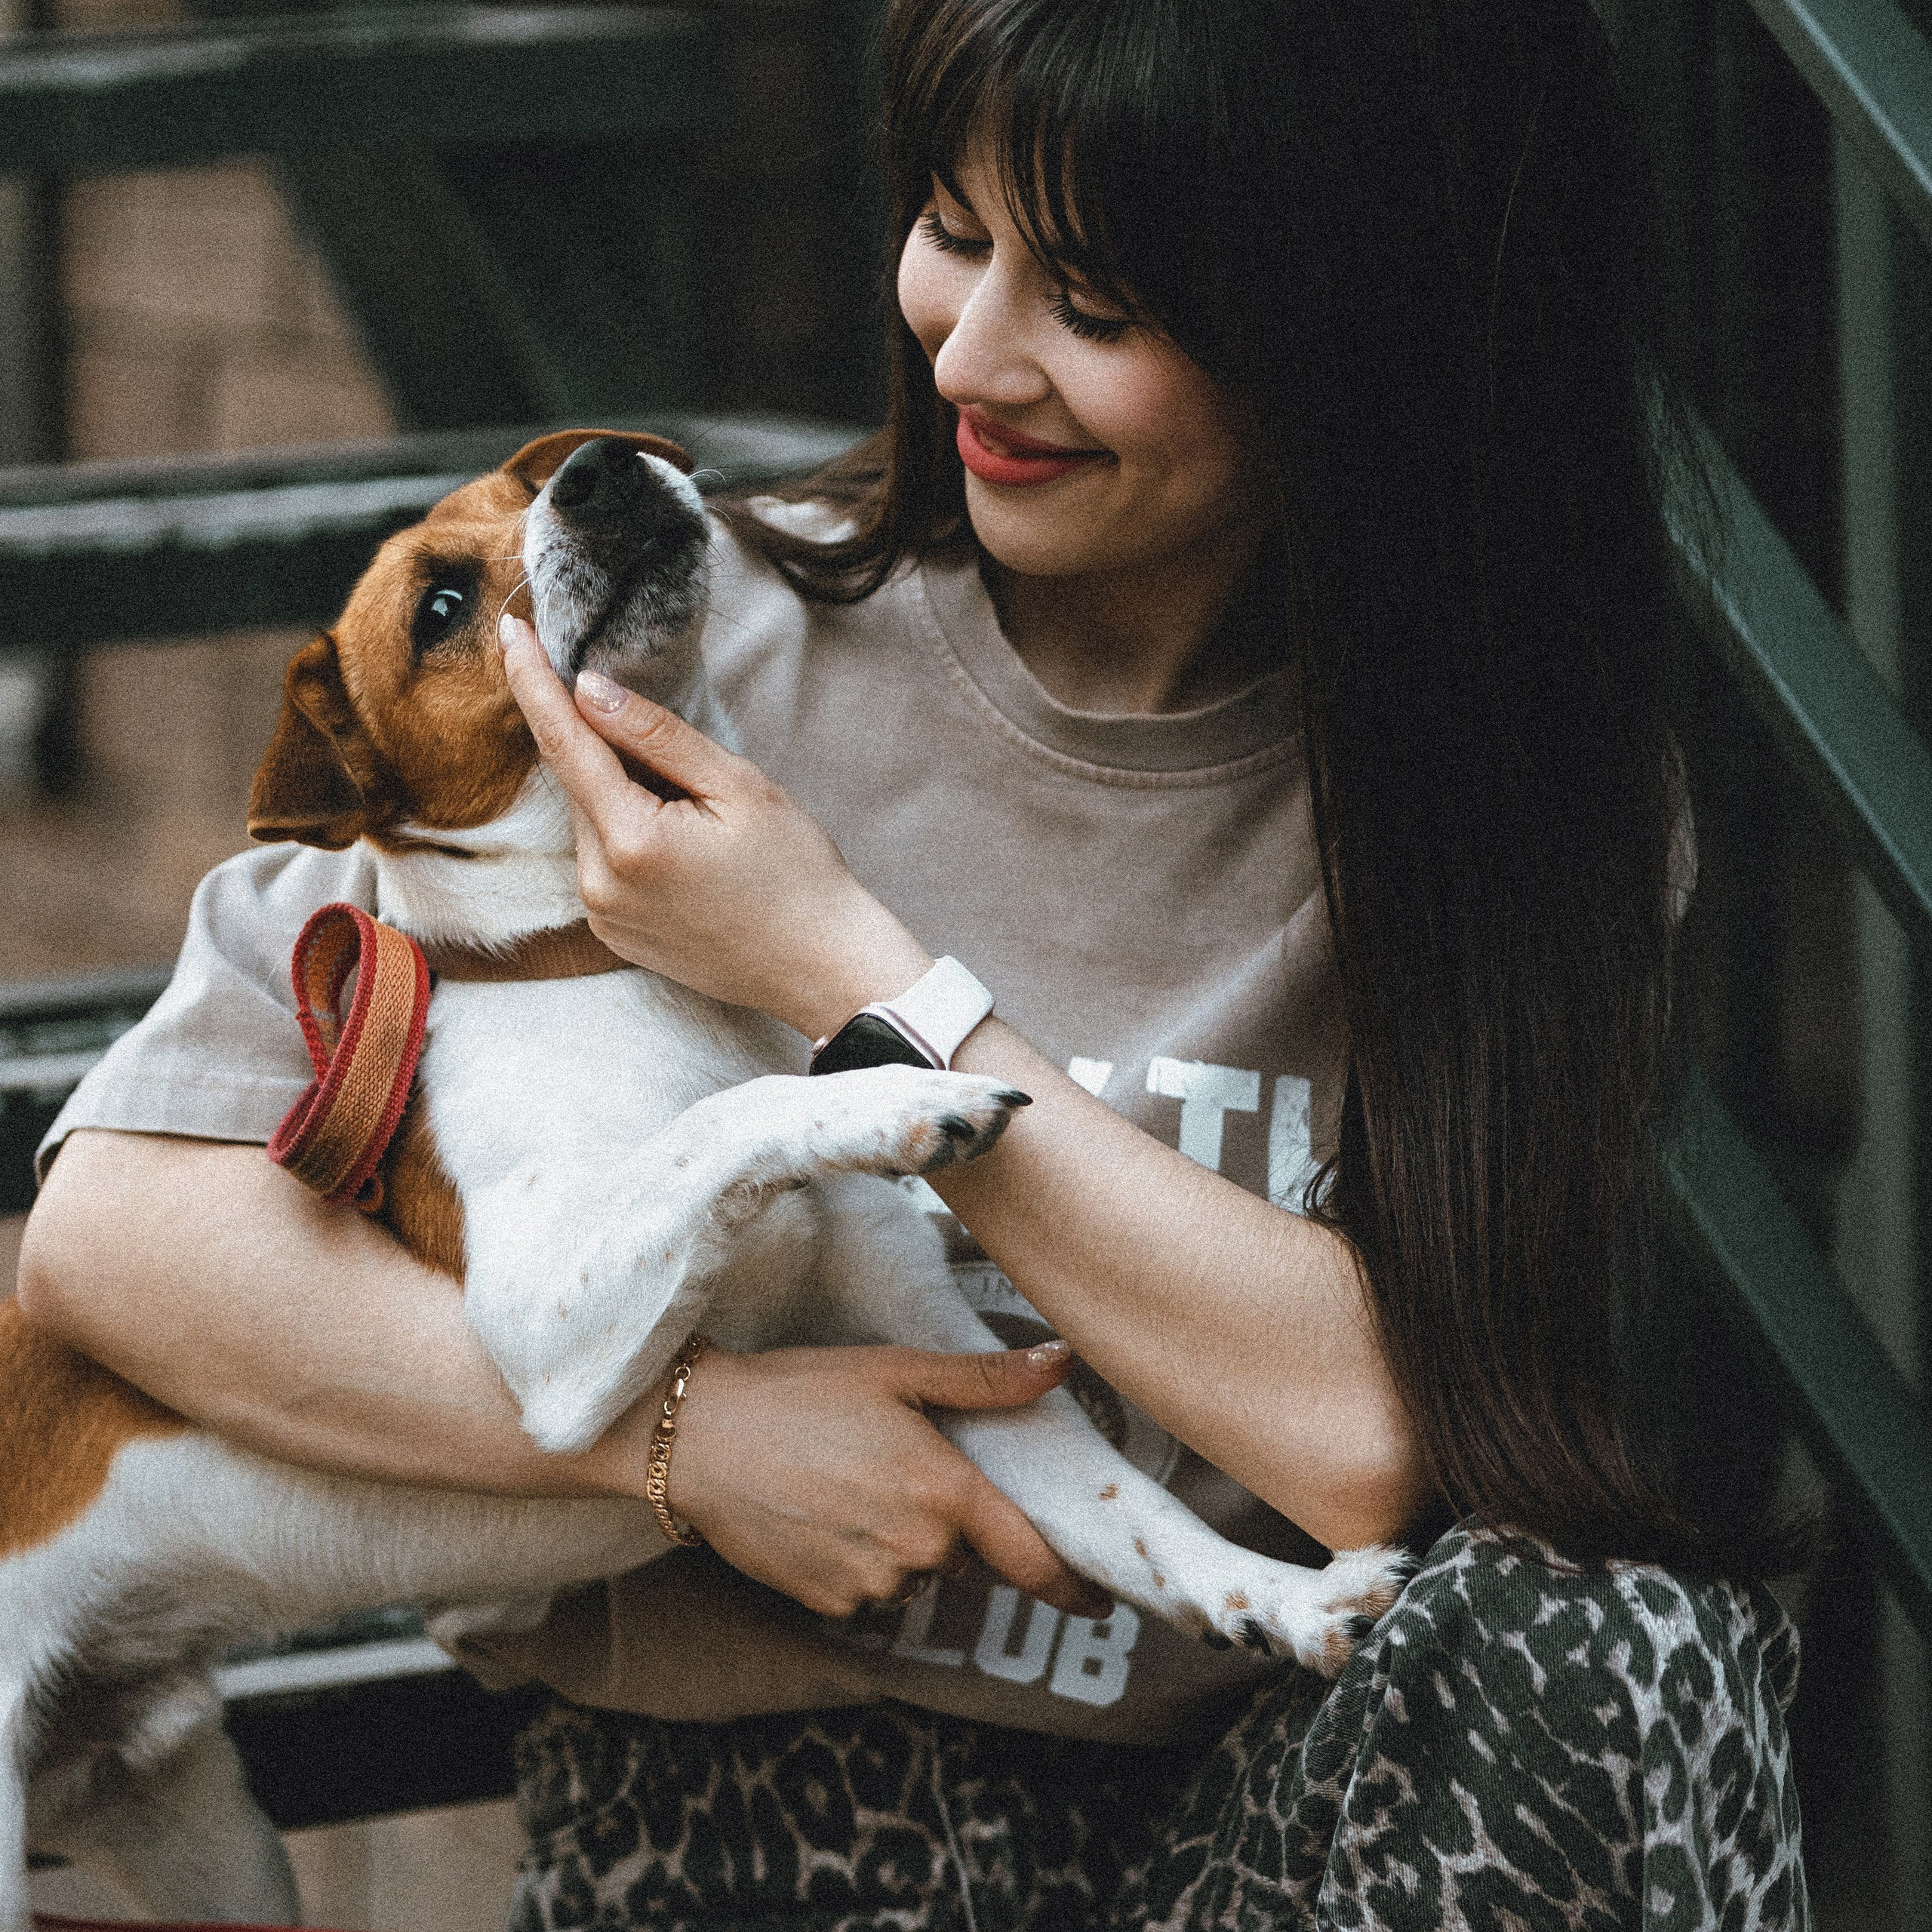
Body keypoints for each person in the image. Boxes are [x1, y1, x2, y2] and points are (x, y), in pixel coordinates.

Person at [19, 0, 1808, 1926]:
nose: (965, 348)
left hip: (1253, 1829)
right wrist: (689, 1446)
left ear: (1351, 329)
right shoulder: (681, 626)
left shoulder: (1507, 806)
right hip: (736, 1844)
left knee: (1625, 1646)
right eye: (953, 230)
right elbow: (113, 1237)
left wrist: (832, 956)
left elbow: (1376, 1441)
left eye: (1095, 300)